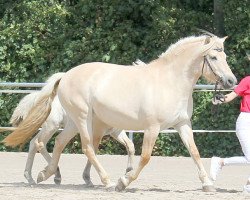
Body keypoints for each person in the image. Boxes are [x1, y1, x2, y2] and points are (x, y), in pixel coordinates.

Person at [210, 76, 250, 192]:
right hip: (246, 122)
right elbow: (230, 96)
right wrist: (219, 99)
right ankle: (221, 162)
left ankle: (221, 162)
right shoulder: (248, 80)